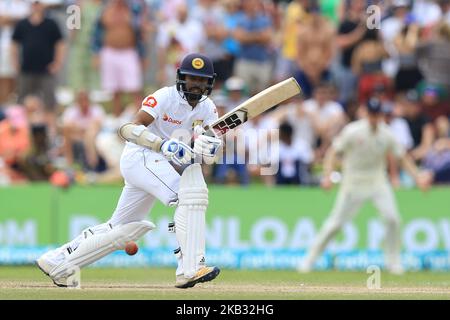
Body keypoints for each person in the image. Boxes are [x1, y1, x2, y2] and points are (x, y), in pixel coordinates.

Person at [36, 53, 223, 288]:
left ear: (209, 83)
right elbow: (128, 128)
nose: (196, 83)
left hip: (157, 166)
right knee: (190, 195)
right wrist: (163, 144)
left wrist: (212, 149)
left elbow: (210, 150)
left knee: (120, 227)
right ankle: (190, 268)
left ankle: (58, 261)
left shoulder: (208, 108)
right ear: (181, 77)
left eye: (202, 79)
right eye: (191, 78)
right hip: (141, 157)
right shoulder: (164, 97)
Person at [299, 97, 433, 275]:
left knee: (393, 219)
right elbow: (332, 152)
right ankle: (309, 260)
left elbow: (402, 158)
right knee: (335, 223)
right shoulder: (353, 131)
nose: (374, 118)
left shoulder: (386, 134)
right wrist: (327, 177)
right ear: (366, 113)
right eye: (372, 114)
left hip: (377, 181)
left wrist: (417, 177)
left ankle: (393, 262)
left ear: (381, 115)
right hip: (353, 181)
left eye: (377, 115)